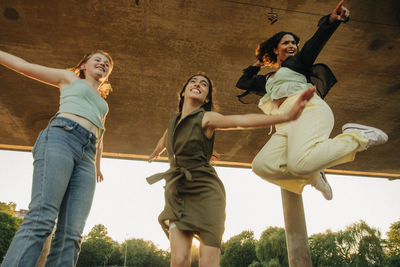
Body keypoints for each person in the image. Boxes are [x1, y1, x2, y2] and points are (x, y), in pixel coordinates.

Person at [147, 73, 315, 267]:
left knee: (207, 263)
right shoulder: (173, 120)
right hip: (176, 193)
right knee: (179, 260)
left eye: (204, 85)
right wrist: (156, 151)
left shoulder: (207, 118)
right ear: (183, 91)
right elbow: (165, 137)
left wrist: (284, 116)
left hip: (206, 194)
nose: (197, 84)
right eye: (192, 81)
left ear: (207, 98)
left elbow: (240, 120)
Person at [235, 0, 387, 200]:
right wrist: (258, 62)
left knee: (299, 164)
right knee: (262, 166)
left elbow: (315, 43)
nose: (292, 46)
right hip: (285, 123)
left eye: (293, 43)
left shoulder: (298, 64)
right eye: (285, 43)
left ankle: (358, 136)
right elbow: (243, 82)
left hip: (309, 110)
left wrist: (332, 20)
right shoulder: (267, 80)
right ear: (275, 49)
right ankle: (314, 175)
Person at [0, 49, 113, 266]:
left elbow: (101, 133)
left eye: (107, 63)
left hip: (87, 155)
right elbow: (23, 65)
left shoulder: (103, 103)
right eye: (97, 59)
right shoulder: (69, 78)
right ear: (83, 66)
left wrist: (97, 165)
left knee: (72, 233)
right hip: (62, 137)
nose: (103, 63)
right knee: (42, 218)